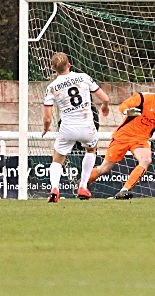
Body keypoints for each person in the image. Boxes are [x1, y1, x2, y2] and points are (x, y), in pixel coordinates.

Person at [87, 77, 155, 200]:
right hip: (123, 135)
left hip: (140, 140)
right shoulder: (144, 98)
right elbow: (123, 105)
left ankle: (124, 190)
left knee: (146, 159)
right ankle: (83, 184)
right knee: (104, 168)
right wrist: (126, 111)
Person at [42, 52, 110, 202]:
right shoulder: (84, 77)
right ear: (69, 64)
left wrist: (46, 128)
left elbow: (47, 117)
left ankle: (54, 188)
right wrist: (105, 106)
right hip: (87, 125)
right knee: (91, 149)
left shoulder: (52, 87)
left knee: (57, 159)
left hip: (67, 128)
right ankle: (83, 186)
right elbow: (105, 98)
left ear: (53, 68)